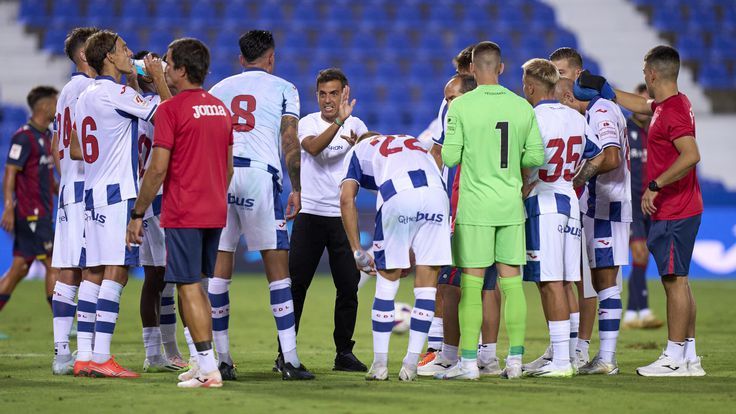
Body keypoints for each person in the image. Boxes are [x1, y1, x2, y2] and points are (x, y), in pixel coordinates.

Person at [578, 45, 705, 376]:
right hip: (681, 206)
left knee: (674, 281)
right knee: (680, 280)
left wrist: (655, 185)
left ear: (651, 74)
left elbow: (691, 154)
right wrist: (604, 88)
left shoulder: (673, 111)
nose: (643, 76)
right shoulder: (671, 104)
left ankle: (674, 357)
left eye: (644, 71)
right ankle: (689, 356)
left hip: (675, 208)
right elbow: (640, 104)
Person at [207, 30, 313, 380]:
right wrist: (296, 187)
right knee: (277, 270)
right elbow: (289, 140)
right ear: (271, 58)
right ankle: (291, 361)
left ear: (241, 59)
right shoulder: (285, 88)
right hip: (259, 177)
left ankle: (222, 361)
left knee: (219, 272)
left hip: (221, 177)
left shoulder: (218, 90)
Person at [127, 37, 232, 388]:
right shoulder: (221, 108)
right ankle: (201, 362)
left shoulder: (170, 110)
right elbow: (228, 167)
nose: (164, 68)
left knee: (187, 286)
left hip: (185, 209)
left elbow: (157, 170)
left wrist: (138, 212)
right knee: (198, 285)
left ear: (183, 70)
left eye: (169, 63)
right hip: (215, 208)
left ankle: (208, 369)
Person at [438, 41, 545, 380]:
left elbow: (450, 157)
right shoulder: (522, 107)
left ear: (472, 69)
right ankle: (514, 361)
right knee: (512, 285)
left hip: (475, 208)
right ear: (501, 68)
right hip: (510, 206)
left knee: (471, 285)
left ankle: (468, 364)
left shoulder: (461, 107)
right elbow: (535, 158)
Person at [72, 30, 170, 378]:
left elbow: (76, 147)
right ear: (109, 57)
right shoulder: (119, 93)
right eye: (124, 49)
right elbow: (169, 117)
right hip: (117, 193)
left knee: (92, 272)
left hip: (92, 190)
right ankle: (101, 358)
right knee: (117, 270)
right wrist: (157, 77)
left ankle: (83, 356)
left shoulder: (86, 94)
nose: (130, 53)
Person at [420, 46, 504, 378]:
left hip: (466, 205)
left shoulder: (462, 115)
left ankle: (448, 354)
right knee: (489, 285)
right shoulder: (505, 107)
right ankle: (489, 356)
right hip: (500, 206)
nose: (449, 103)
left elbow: (444, 154)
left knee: (450, 283)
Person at [341, 132, 451, 381]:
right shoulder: (410, 141)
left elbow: (346, 199)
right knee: (426, 289)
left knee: (387, 284)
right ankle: (411, 365)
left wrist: (357, 250)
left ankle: (380, 366)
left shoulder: (358, 150)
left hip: (398, 195)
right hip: (436, 195)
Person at [519, 59, 604, 378]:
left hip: (544, 202)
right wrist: (573, 181)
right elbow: (597, 156)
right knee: (566, 282)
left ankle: (561, 362)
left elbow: (526, 163)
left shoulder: (530, 118)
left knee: (550, 282)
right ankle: (563, 354)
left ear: (530, 86)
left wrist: (529, 184)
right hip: (568, 199)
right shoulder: (575, 117)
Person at [289, 68, 368, 372]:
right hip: (310, 214)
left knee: (348, 287)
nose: (327, 99)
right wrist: (338, 123)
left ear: (344, 93)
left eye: (334, 93)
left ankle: (344, 353)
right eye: (322, 93)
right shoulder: (308, 122)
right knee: (297, 286)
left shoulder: (356, 124)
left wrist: (365, 137)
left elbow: (369, 145)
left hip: (341, 219)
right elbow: (312, 148)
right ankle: (287, 351)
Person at [555, 73, 630, 375]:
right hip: (603, 205)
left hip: (606, 206)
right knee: (602, 283)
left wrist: (579, 178)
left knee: (606, 284)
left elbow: (610, 157)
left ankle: (607, 359)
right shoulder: (605, 108)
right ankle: (604, 357)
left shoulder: (600, 111)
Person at [131, 50, 188, 373]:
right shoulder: (154, 107)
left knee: (156, 277)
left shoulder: (133, 105)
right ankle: (193, 351)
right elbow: (175, 119)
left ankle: (158, 353)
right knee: (181, 277)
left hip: (149, 199)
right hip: (162, 197)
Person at [49, 26, 98, 376]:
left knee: (69, 268)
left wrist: (65, 174)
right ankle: (86, 352)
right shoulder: (88, 88)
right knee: (89, 267)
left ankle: (62, 351)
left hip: (69, 185)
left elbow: (57, 147)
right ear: (85, 54)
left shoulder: (66, 89)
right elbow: (81, 145)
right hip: (86, 186)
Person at [549, 46, 597, 367]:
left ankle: (580, 347)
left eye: (561, 74)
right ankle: (563, 347)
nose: (557, 81)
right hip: (571, 205)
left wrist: (574, 182)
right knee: (564, 276)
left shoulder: (593, 111)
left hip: (592, 206)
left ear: (577, 75)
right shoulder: (564, 114)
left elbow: (605, 156)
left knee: (584, 280)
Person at [0, 86, 59, 322]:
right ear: (45, 107)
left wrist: (60, 191)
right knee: (53, 264)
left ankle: (64, 322)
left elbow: (46, 177)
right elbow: (10, 172)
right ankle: (63, 323)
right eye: (55, 103)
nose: (58, 108)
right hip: (31, 214)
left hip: (42, 212)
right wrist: (8, 207)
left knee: (19, 269)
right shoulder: (23, 137)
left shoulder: (46, 137)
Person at [622, 84, 664, 330]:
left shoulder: (658, 130)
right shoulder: (624, 130)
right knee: (639, 253)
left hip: (653, 204)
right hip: (631, 203)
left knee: (643, 258)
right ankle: (643, 311)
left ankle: (632, 313)